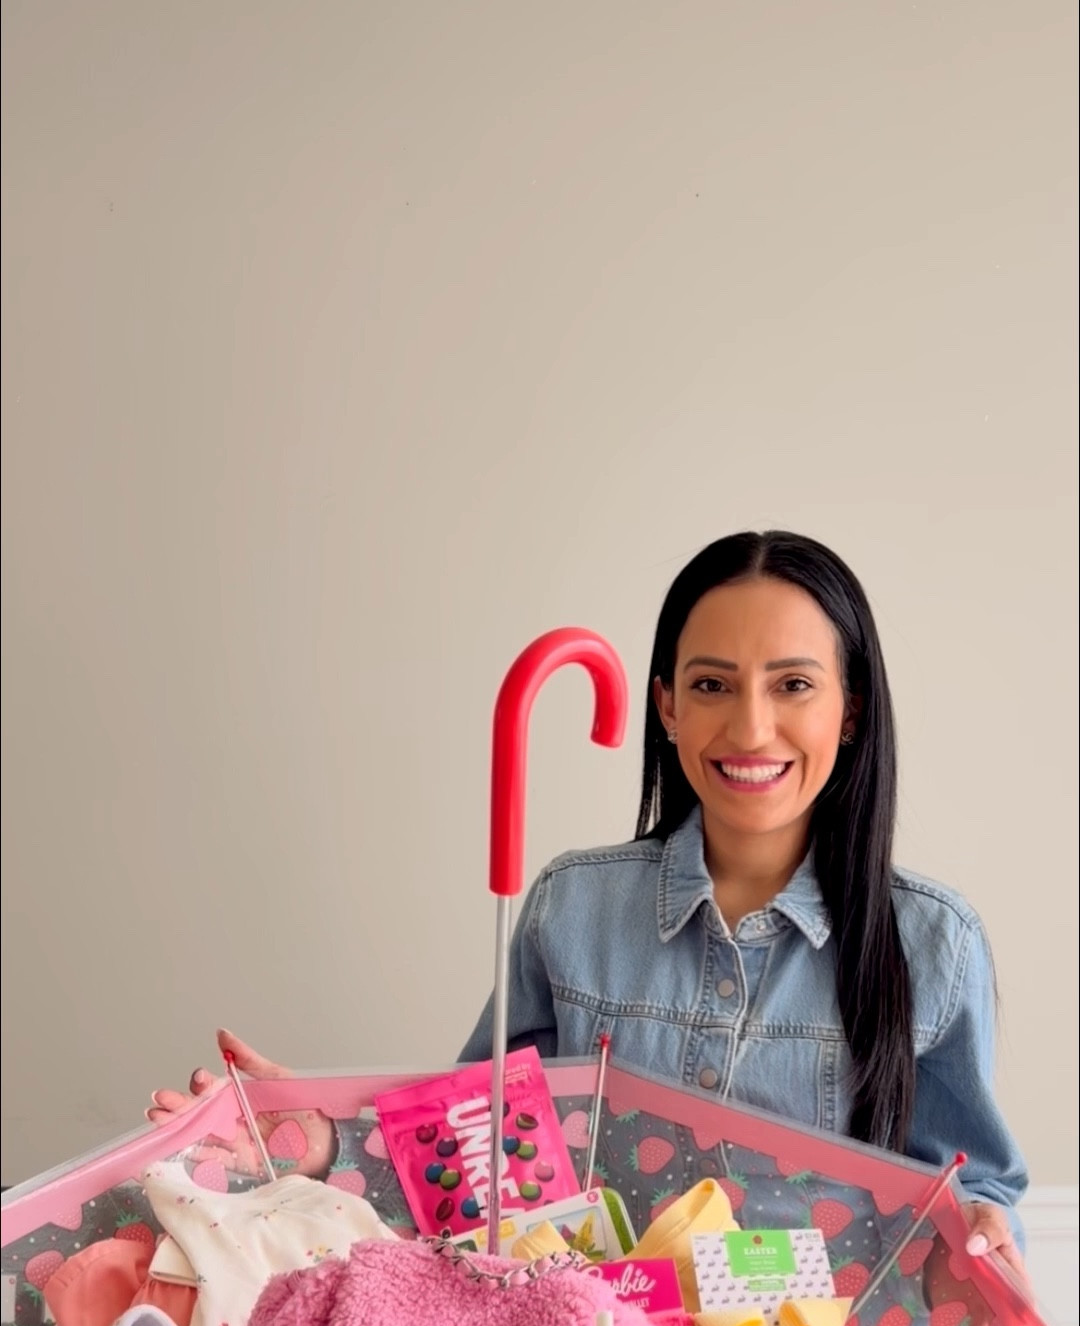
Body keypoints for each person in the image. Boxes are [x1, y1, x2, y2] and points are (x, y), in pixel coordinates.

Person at [148, 530, 1029, 1281]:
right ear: (667, 708)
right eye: (714, 685)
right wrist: (321, 1132)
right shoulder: (574, 907)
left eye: (793, 685)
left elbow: (978, 1192)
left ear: (851, 712)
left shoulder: (932, 945)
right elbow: (480, 1144)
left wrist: (988, 1238)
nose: (752, 729)